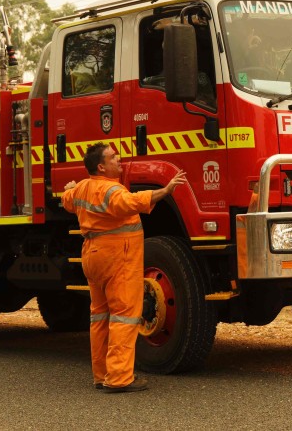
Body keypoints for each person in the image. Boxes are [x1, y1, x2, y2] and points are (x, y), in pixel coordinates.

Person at [62, 142, 186, 393]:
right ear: (101, 166)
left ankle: (101, 375)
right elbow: (133, 202)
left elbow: (68, 200)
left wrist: (69, 188)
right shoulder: (112, 191)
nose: (118, 159)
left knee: (100, 316)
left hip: (93, 255)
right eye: (112, 157)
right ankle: (119, 377)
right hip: (117, 258)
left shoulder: (82, 187)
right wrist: (166, 190)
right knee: (124, 316)